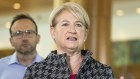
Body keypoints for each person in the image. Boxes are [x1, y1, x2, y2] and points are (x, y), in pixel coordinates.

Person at [24, 2, 114, 79]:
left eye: (78, 25)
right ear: (53, 32)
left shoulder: (104, 72)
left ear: (85, 34)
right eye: (65, 24)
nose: (72, 30)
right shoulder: (34, 73)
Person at [0, 14, 43, 79]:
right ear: (11, 41)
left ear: (38, 38)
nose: (24, 38)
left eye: (29, 32)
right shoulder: (1, 66)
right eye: (18, 33)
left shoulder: (51, 68)